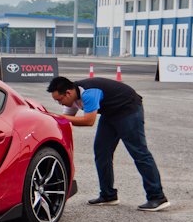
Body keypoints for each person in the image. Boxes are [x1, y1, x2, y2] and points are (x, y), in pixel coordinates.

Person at [47, 76, 169, 212]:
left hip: (128, 109)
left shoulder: (88, 93)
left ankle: (157, 197)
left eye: (59, 100)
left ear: (68, 93)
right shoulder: (72, 99)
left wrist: (60, 117)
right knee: (101, 152)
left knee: (139, 152)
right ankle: (108, 195)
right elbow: (67, 121)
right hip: (110, 113)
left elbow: (88, 121)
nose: (60, 104)